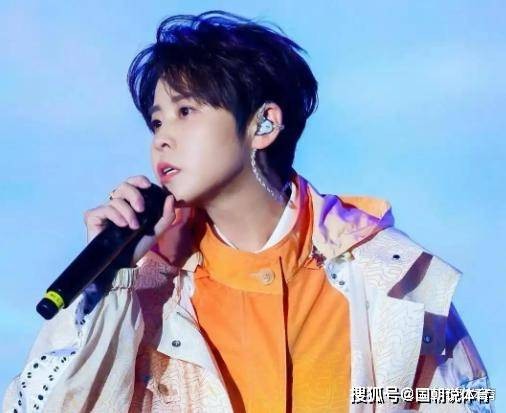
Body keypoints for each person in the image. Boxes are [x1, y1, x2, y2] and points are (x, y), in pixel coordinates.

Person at [3, 10, 493, 413]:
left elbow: (461, 399)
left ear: (263, 124)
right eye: (156, 122)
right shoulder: (150, 290)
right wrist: (107, 284)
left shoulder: (388, 274)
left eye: (185, 112)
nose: (162, 138)